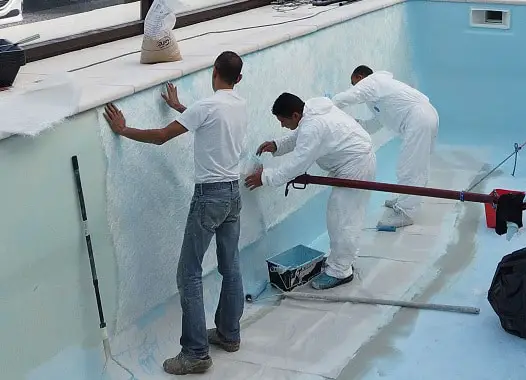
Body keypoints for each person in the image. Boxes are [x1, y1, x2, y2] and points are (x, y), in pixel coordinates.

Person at [102, 51, 247, 375]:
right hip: (232, 194)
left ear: (214, 72)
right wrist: (180, 107)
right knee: (231, 266)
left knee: (188, 273)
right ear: (238, 79)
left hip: (209, 197)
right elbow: (204, 120)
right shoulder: (239, 104)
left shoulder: (208, 107)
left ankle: (195, 352)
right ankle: (229, 333)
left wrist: (123, 130)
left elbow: (161, 137)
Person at [244, 92, 376, 290]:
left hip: (356, 164)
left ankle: (341, 270)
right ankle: (341, 260)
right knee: (341, 215)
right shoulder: (312, 112)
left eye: (282, 120)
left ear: (295, 115)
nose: (281, 125)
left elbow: (297, 164)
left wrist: (265, 177)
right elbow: (299, 136)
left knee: (343, 216)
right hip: (354, 160)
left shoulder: (314, 125)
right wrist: (277, 145)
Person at [331, 65, 439, 228]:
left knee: (409, 167)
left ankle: (407, 212)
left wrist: (324, 107)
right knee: (415, 165)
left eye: (354, 83)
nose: (354, 87)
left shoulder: (373, 82)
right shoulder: (378, 94)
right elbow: (375, 124)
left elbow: (346, 98)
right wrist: (355, 124)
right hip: (423, 118)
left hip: (420, 119)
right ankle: (406, 198)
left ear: (360, 77)